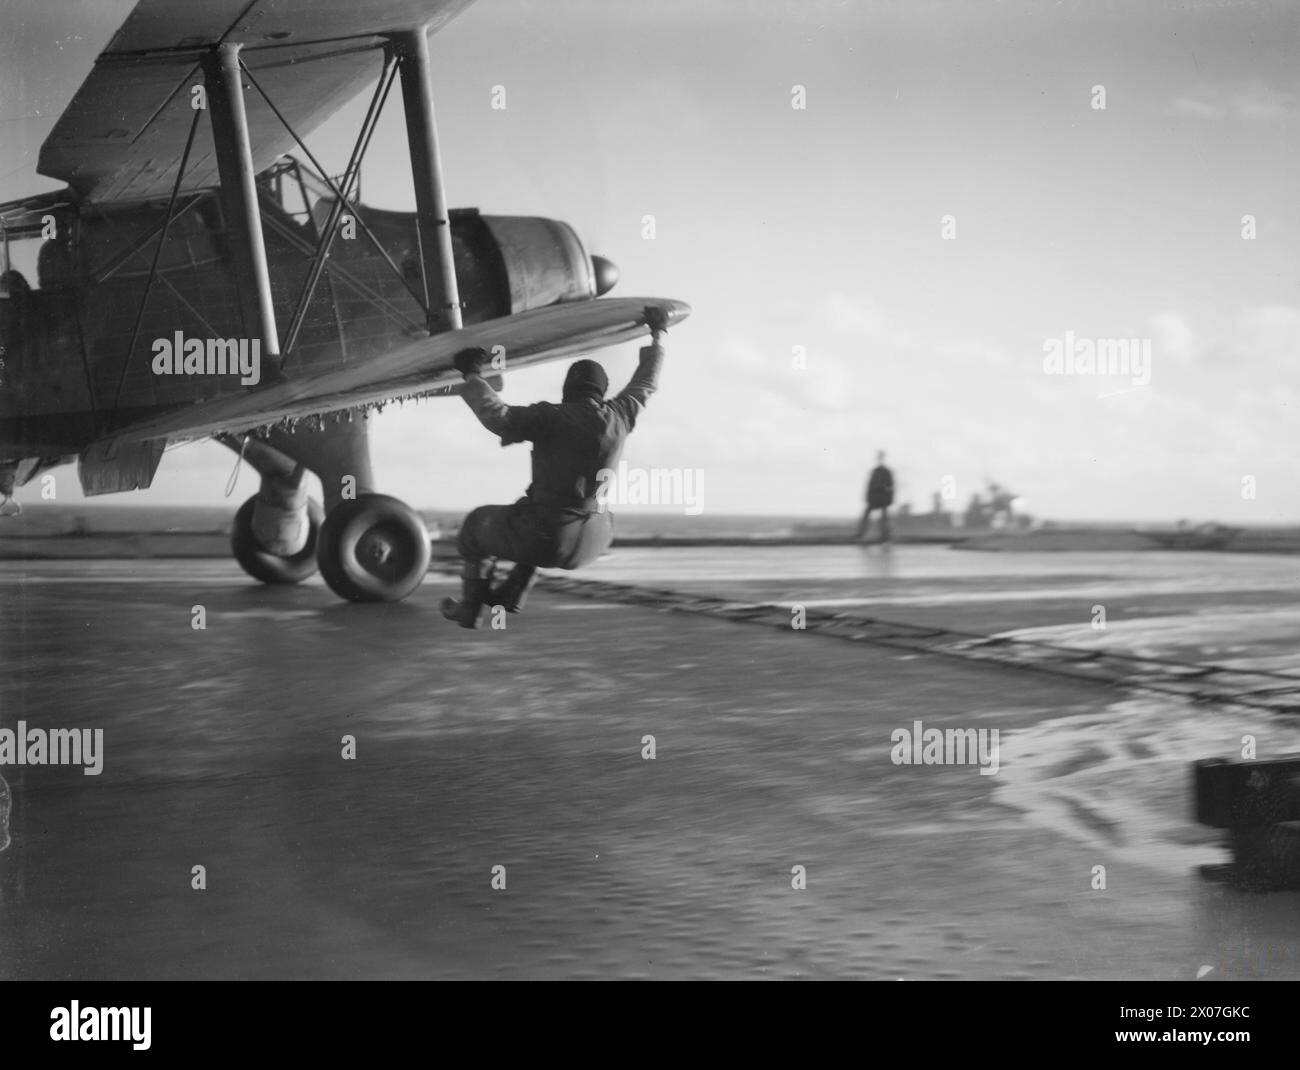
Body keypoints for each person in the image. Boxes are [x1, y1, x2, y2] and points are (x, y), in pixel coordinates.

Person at [440, 306, 670, 628]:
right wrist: (657, 333)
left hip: (550, 536)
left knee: (476, 527)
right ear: (601, 390)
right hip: (596, 539)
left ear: (568, 389)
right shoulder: (621, 414)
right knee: (530, 514)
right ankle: (510, 595)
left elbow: (498, 416)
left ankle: (468, 608)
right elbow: (646, 382)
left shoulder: (551, 416)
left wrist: (471, 374)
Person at [857, 450, 894, 543]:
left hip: (883, 499)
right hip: (875, 499)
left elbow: (890, 487)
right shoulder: (875, 472)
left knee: (884, 517)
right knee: (868, 513)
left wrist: (887, 496)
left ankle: (884, 536)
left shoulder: (886, 472)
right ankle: (862, 533)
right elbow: (870, 486)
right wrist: (869, 498)